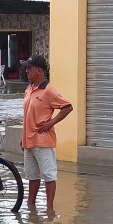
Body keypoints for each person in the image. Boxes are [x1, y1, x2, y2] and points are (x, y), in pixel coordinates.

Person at [20, 55, 72, 210]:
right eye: (26, 68)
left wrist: (51, 122)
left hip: (43, 141)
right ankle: (31, 207)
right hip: (29, 141)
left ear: (39, 71)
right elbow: (27, 115)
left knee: (49, 176)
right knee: (32, 176)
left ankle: (50, 208)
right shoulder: (29, 88)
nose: (27, 70)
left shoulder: (49, 90)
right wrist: (22, 138)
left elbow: (67, 107)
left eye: (29, 68)